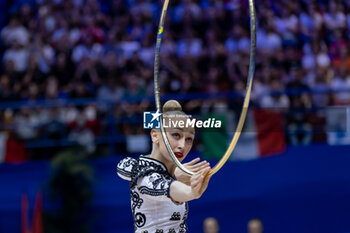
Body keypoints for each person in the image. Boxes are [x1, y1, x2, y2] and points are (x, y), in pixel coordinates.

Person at [117, 100, 211, 232]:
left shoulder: (171, 175)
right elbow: (161, 186)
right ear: (155, 136)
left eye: (189, 139)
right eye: (176, 135)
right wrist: (191, 192)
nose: (182, 146)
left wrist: (176, 175)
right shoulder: (143, 175)